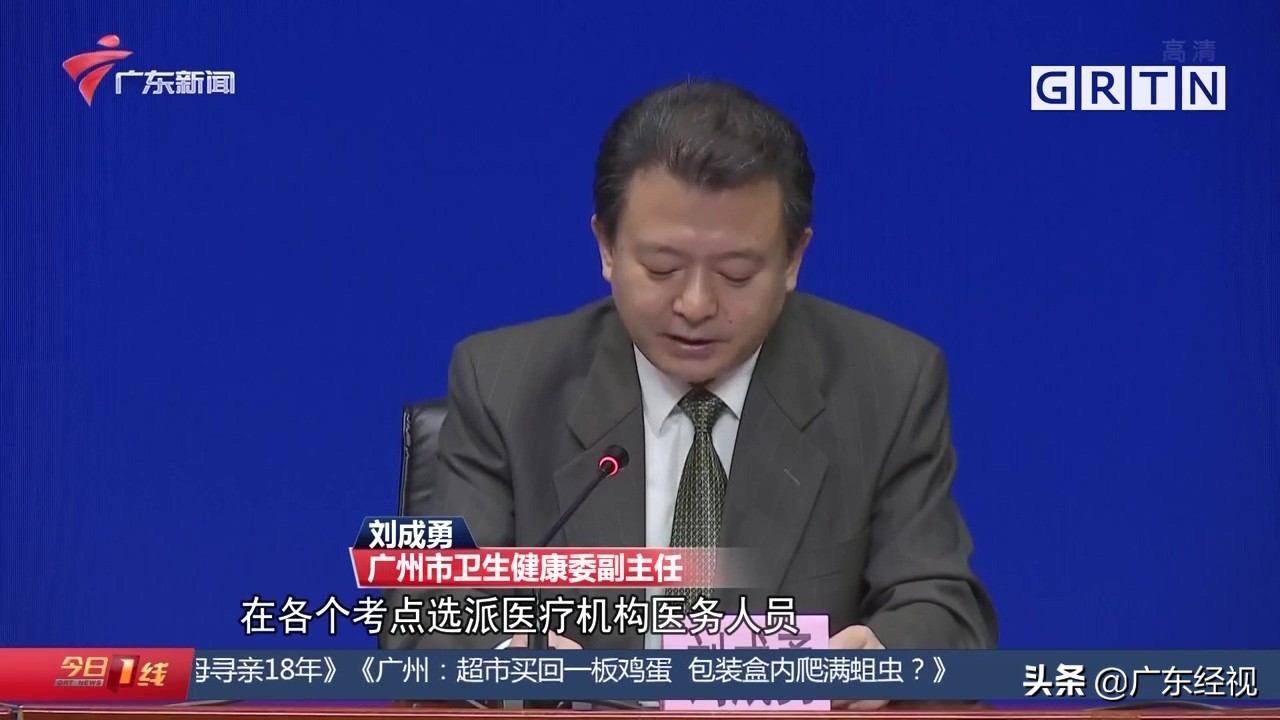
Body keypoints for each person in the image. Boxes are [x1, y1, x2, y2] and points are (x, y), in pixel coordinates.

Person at [406, 79, 998, 705]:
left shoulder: (888, 384)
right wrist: (514, 662)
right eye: (662, 268)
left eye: (736, 273)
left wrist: (881, 656)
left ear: (793, 259)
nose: (695, 305)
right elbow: (427, 618)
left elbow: (946, 613)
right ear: (606, 247)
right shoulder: (505, 384)